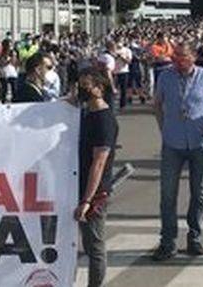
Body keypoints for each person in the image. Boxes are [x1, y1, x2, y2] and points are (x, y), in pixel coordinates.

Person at [150, 42, 203, 261]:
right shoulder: (165, 76)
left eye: (183, 57)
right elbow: (157, 103)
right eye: (175, 57)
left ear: (193, 57)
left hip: (199, 142)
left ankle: (194, 237)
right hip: (172, 142)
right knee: (167, 194)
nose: (178, 61)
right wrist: (163, 127)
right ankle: (167, 240)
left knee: (199, 192)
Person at [75, 69, 118, 287]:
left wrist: (87, 200)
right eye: (80, 85)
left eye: (87, 86)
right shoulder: (86, 113)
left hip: (95, 192)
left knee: (95, 246)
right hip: (78, 184)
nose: (83, 90)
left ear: (100, 88)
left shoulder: (104, 120)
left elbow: (99, 162)